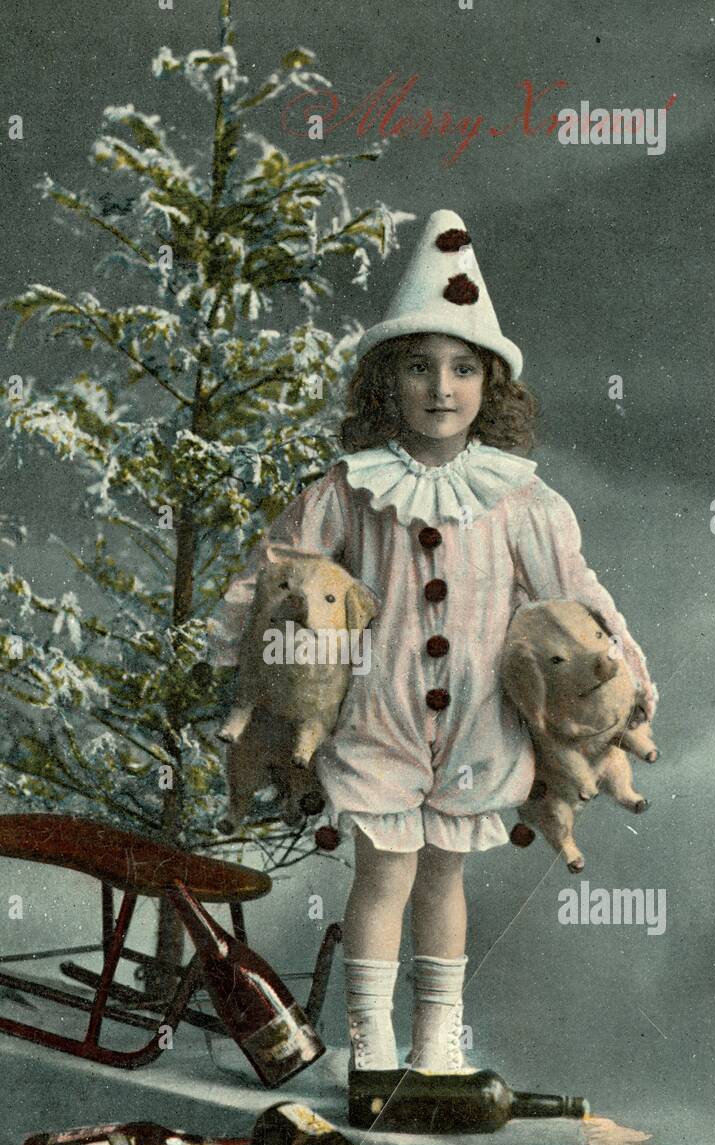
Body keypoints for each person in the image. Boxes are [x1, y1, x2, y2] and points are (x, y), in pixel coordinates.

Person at [207, 209, 658, 1081]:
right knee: (382, 875)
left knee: (444, 879)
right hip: (381, 718)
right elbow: (277, 575)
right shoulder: (350, 489)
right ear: (389, 381)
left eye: (461, 369)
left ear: (490, 385)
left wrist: (626, 670)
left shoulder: (523, 501)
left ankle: (437, 1043)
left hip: (481, 725)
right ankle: (370, 1042)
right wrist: (226, 654)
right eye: (419, 367)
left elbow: (576, 595)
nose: (440, 388)